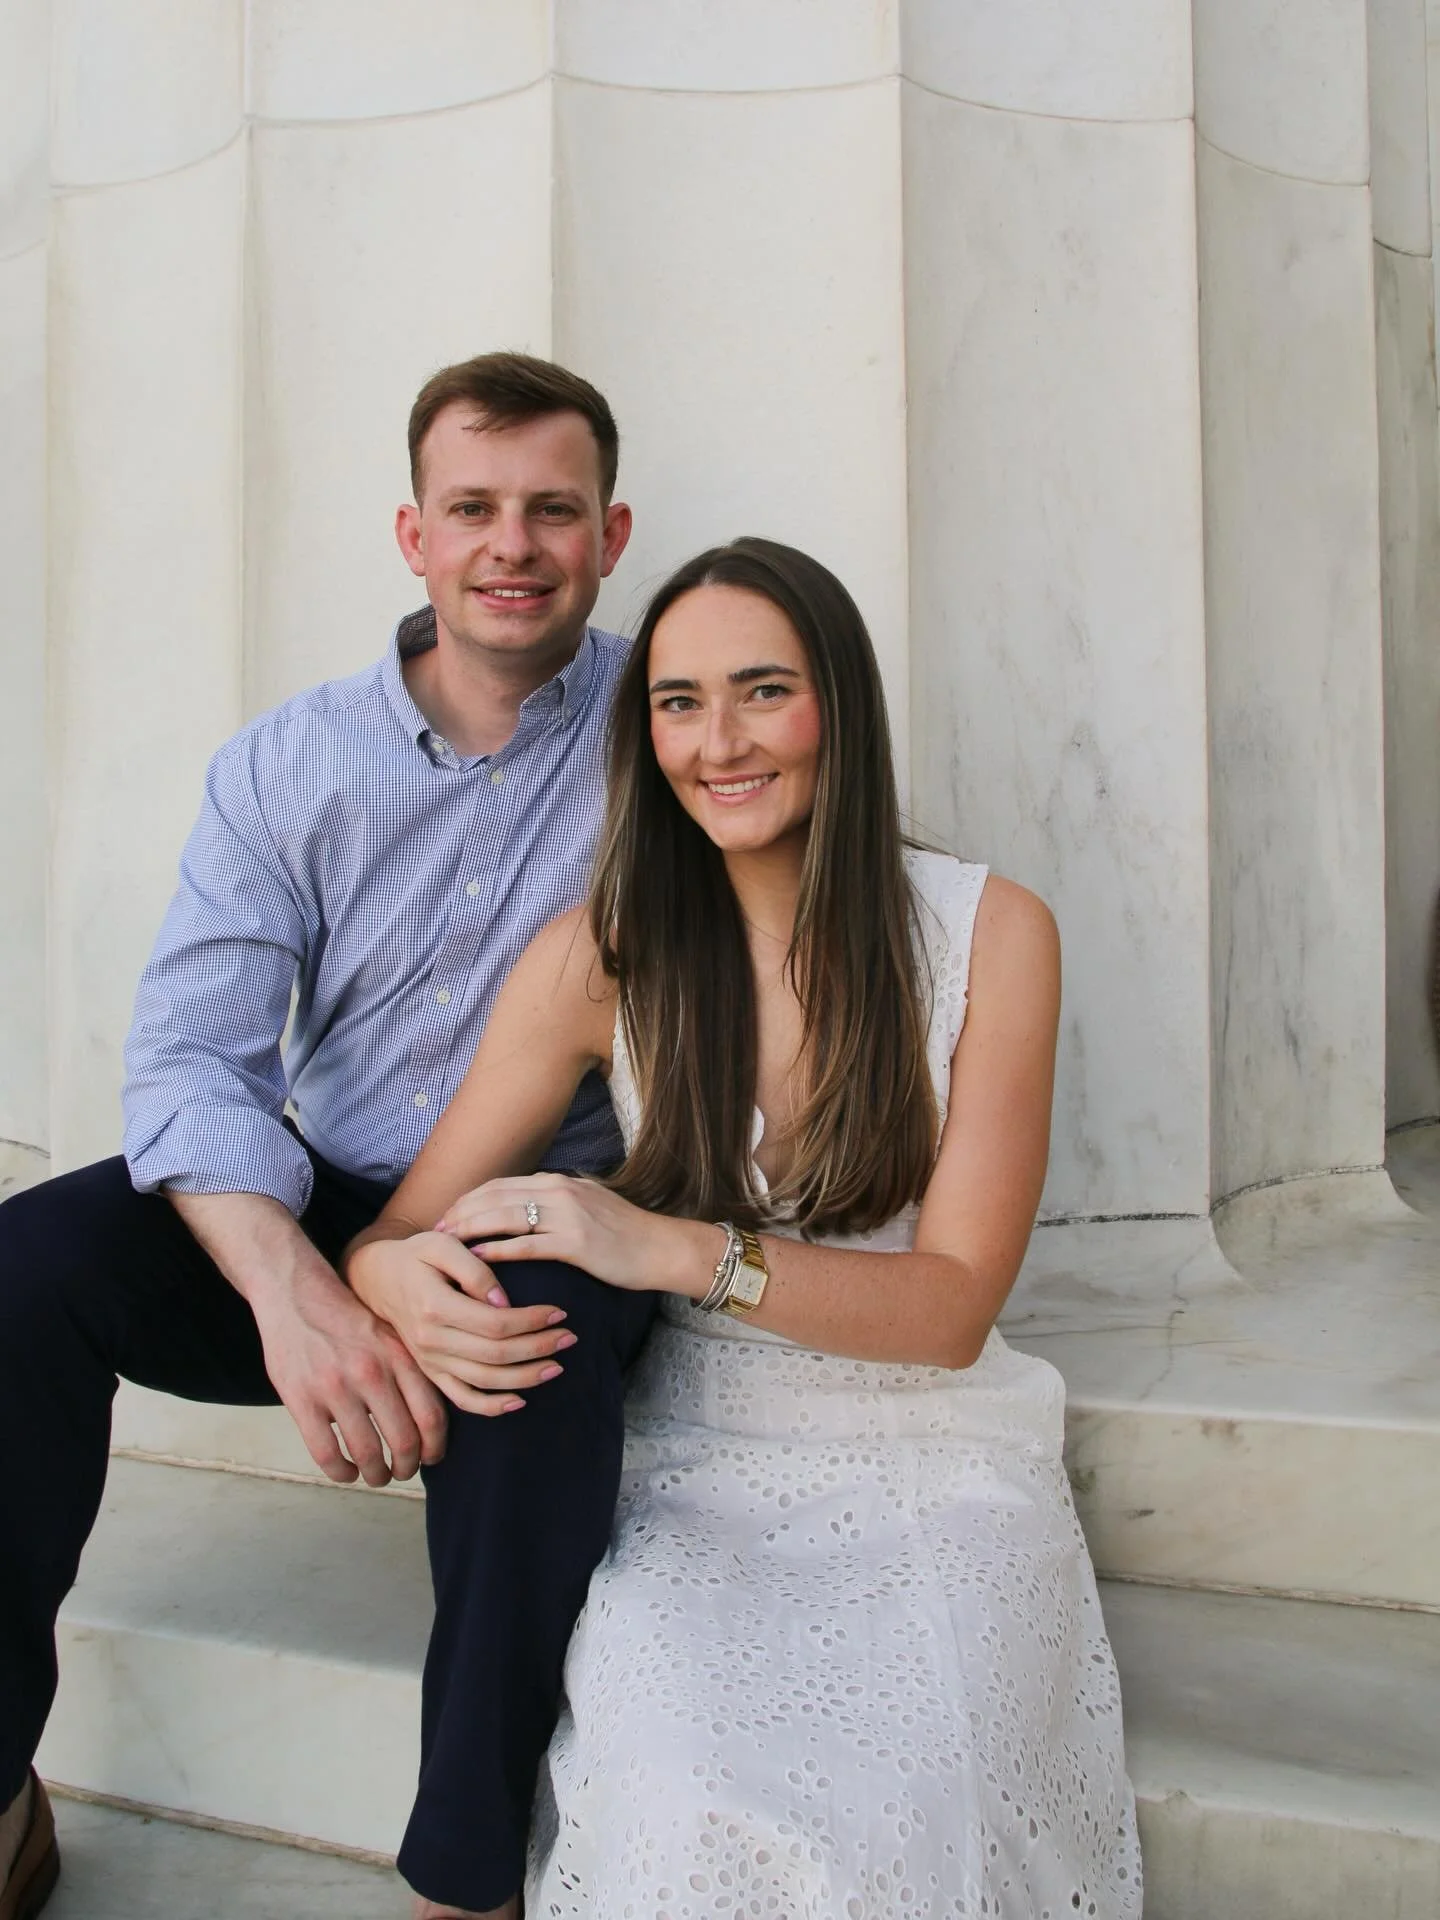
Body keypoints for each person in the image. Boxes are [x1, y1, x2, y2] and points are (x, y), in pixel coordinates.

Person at [347, 536, 1144, 1917]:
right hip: (696, 1458)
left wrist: (667, 1246)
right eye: (677, 702)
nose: (717, 742)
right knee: (679, 1790)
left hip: (933, 1459)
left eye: (762, 692)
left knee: (902, 1820)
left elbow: (951, 1309)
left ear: (838, 703)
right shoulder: (606, 953)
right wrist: (395, 1281)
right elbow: (399, 1226)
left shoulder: (991, 933)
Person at [0, 352, 660, 1920]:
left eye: (552, 511)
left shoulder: (669, 723)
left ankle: (463, 1880)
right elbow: (185, 1059)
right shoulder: (289, 761)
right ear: (412, 534)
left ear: (610, 535)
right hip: (312, 1192)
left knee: (533, 1361)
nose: (514, 544)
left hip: (539, 1207)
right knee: (20, 1268)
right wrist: (302, 1285)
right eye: (474, 508)